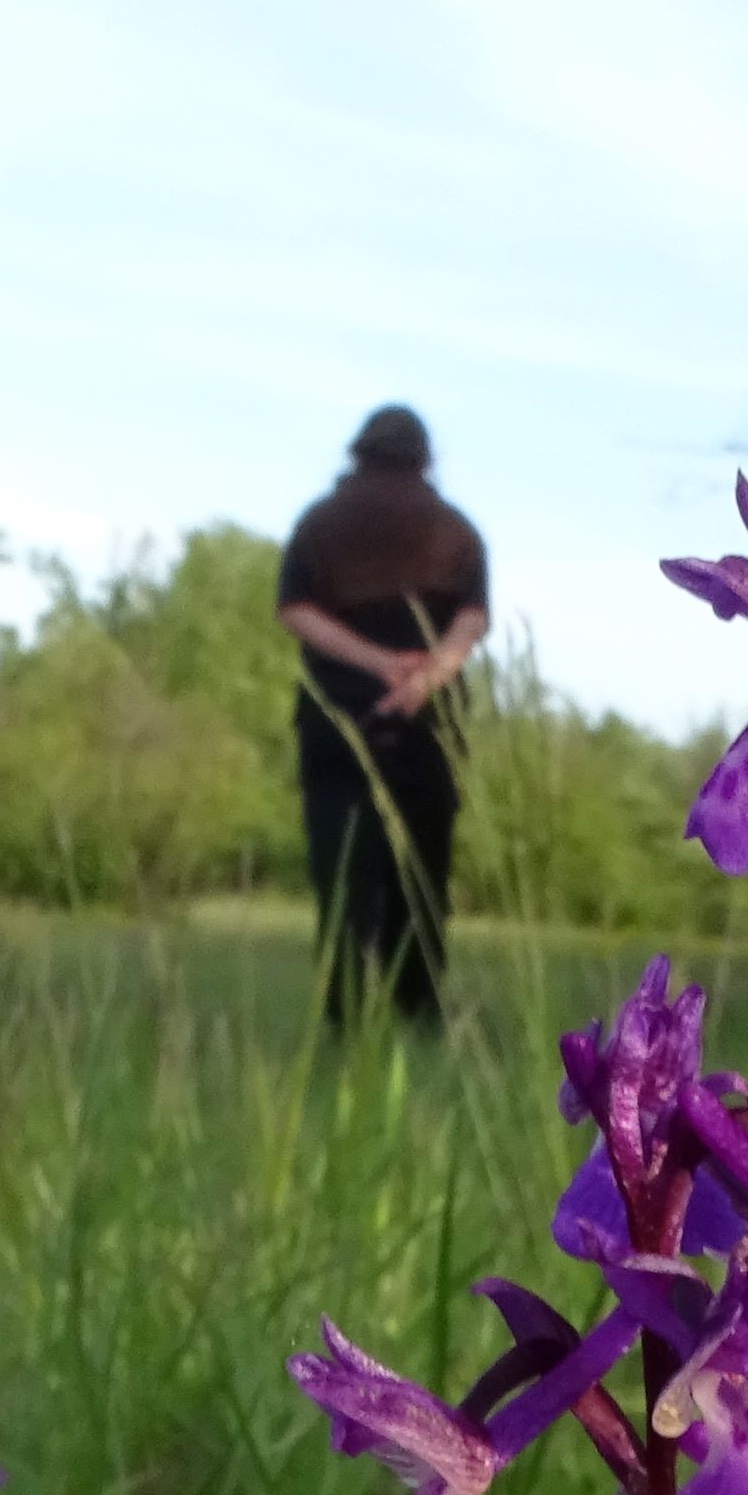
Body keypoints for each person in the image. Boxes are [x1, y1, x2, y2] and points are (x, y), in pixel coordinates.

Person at [276, 406, 489, 1030]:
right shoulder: (456, 531)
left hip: (337, 714)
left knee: (341, 870)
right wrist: (424, 677)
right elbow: (471, 621)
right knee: (422, 872)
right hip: (431, 722)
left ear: (358, 451)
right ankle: (418, 1014)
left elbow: (296, 610)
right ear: (425, 456)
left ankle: (344, 1019)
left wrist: (375, 665)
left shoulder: (319, 523)